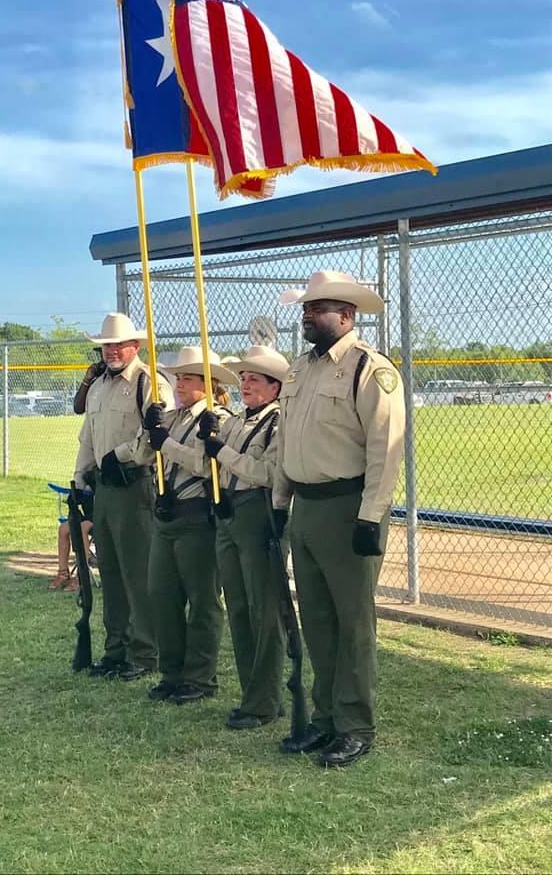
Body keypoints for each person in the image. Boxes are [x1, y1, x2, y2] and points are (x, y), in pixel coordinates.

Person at [273, 271, 405, 767]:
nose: (307, 316)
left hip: (348, 508)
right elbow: (288, 442)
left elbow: (385, 449)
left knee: (352, 623)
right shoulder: (299, 369)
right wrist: (279, 504)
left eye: (318, 308)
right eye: (306, 308)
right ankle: (325, 719)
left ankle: (355, 725)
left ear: (346, 315)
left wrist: (371, 516)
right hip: (305, 508)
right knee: (318, 620)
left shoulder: (369, 370)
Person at [73, 313, 174, 681]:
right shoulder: (98, 384)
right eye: (106, 345)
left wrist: (124, 456)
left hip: (135, 483)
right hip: (104, 486)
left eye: (119, 344)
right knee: (110, 570)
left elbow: (156, 434)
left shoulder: (150, 381)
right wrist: (79, 477)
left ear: (136, 346)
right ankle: (115, 648)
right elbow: (89, 435)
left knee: (139, 571)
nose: (112, 350)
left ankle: (145, 652)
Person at [138, 346, 236, 704]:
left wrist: (168, 446)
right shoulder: (173, 417)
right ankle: (172, 671)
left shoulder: (218, 418)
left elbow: (206, 464)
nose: (180, 384)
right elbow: (150, 453)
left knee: (203, 600)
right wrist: (151, 433)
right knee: (162, 595)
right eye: (178, 377)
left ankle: (200, 676)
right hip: (167, 513)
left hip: (198, 515)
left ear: (209, 384)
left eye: (189, 378)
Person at [197, 345, 289, 730]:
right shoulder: (237, 421)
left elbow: (266, 472)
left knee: (263, 609)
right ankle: (252, 691)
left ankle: (265, 699)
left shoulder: (276, 422)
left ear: (274, 386)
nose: (246, 385)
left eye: (254, 379)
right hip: (230, 511)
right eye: (244, 379)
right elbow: (212, 462)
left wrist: (221, 452)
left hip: (259, 513)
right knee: (237, 605)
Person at [48, 518, 93, 592]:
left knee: (82, 528)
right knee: (63, 528)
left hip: (99, 516)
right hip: (84, 516)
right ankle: (63, 574)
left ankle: (82, 576)